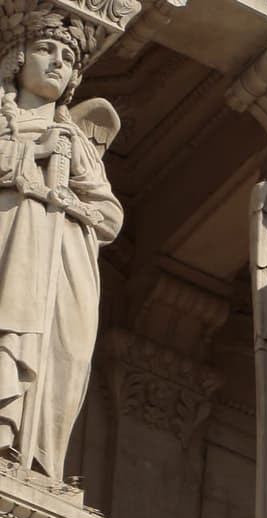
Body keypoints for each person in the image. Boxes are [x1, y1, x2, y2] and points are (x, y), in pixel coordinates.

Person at [0, 6, 119, 478]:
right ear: (17, 58)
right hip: (11, 242)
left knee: (62, 354)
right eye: (46, 50)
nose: (57, 63)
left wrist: (73, 194)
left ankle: (33, 453)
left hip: (63, 262)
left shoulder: (80, 143)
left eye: (67, 58)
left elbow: (109, 215)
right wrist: (32, 155)